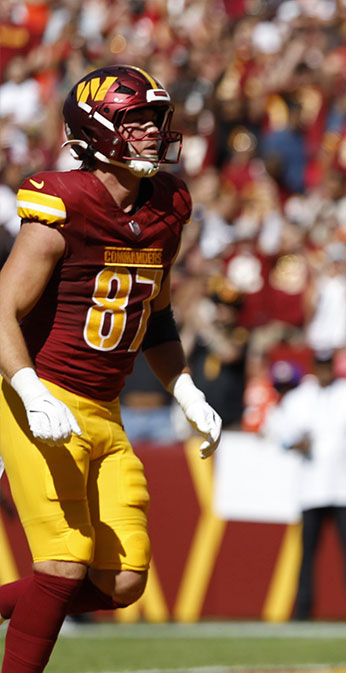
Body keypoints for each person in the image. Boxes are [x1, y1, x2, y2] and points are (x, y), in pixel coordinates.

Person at [0, 65, 222, 673]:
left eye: (157, 120)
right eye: (136, 121)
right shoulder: (62, 204)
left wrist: (185, 389)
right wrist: (28, 389)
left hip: (105, 409)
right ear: (95, 131)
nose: (152, 132)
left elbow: (157, 312)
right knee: (62, 564)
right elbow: (2, 308)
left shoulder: (167, 208)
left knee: (123, 582)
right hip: (41, 397)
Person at [266, 351, 346, 621]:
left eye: (328, 365)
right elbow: (278, 433)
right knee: (307, 552)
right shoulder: (298, 399)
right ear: (313, 367)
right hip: (312, 486)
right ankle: (303, 608)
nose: (324, 370)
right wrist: (295, 443)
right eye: (319, 365)